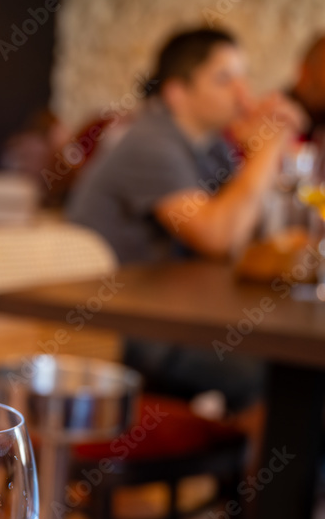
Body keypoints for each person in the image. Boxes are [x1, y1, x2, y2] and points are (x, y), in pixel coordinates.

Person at [67, 28, 306, 414]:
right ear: (178, 92)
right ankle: (259, 471)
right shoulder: (151, 142)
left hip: (183, 314)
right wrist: (268, 149)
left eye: (244, 78)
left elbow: (248, 235)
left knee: (291, 368)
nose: (243, 93)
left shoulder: (209, 146)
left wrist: (252, 150)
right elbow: (216, 238)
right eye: (225, 79)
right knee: (280, 376)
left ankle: (247, 469)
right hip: (123, 327)